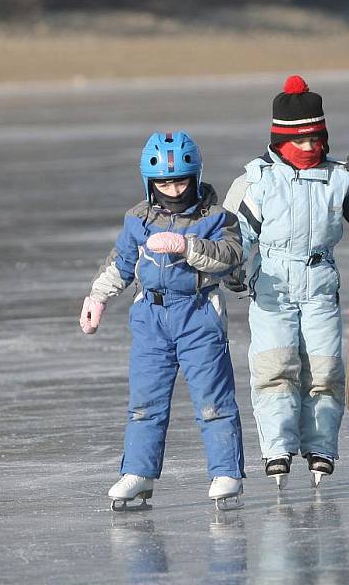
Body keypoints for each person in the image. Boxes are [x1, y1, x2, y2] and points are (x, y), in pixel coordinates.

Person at [223, 75, 349, 489]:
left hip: (320, 284)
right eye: (299, 141)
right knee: (275, 367)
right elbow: (233, 233)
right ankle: (278, 448)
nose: (308, 148)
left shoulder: (339, 177)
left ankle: (321, 447)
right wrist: (230, 268)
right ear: (279, 140)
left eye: (315, 140)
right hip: (271, 287)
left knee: (324, 370)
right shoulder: (257, 181)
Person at [80, 131, 246, 510]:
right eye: (164, 182)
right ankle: (138, 473)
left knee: (213, 400)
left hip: (199, 315)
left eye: (181, 180)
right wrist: (97, 297)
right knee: (145, 402)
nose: (173, 189)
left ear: (196, 176)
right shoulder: (137, 219)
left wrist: (188, 247)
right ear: (150, 182)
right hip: (151, 318)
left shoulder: (218, 218)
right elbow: (121, 263)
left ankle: (226, 472)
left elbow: (230, 257)